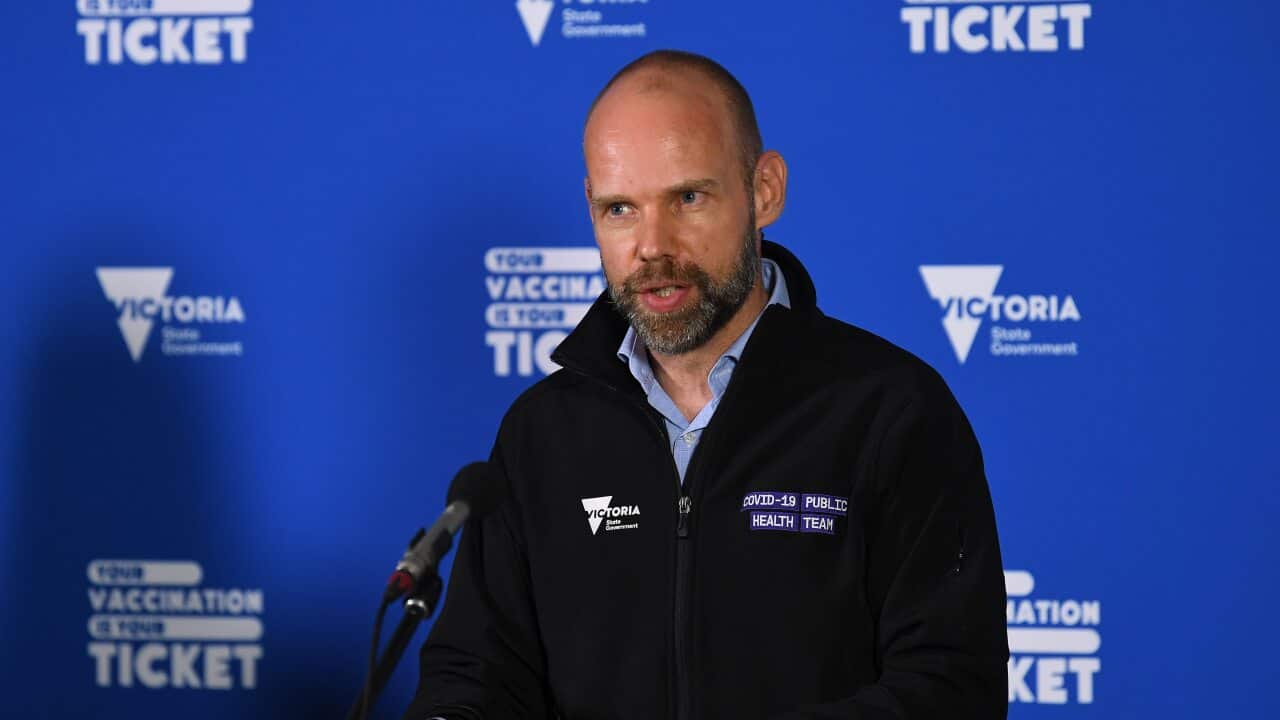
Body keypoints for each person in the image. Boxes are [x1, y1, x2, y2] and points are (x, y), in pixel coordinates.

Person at [404, 50, 1008, 720]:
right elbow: (475, 674)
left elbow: (952, 690)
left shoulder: (892, 412)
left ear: (764, 191)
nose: (652, 246)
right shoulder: (541, 434)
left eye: (687, 198)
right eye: (620, 209)